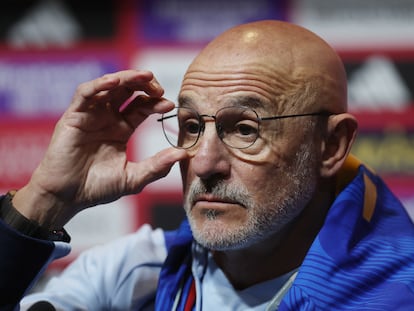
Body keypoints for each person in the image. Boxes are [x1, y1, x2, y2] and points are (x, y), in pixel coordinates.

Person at [1, 20, 414, 311]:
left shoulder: (400, 292)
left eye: (245, 129)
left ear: (330, 146)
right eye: (192, 126)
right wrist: (44, 201)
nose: (203, 162)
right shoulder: (137, 273)